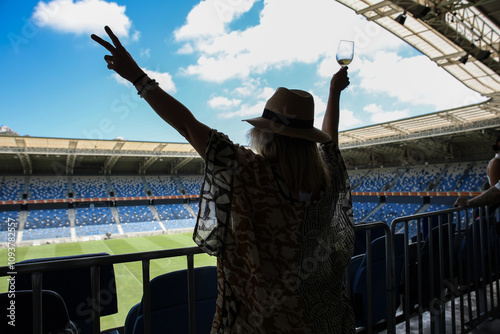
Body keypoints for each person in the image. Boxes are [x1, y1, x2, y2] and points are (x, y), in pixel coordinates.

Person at [92, 26, 355, 333]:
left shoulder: (250, 171)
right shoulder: (326, 181)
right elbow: (330, 146)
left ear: (266, 133)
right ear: (309, 140)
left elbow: (188, 126)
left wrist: (138, 77)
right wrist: (334, 94)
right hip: (324, 320)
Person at [454, 136, 500, 209]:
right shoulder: (496, 162)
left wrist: (469, 202)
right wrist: (469, 203)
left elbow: (496, 192)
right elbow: (496, 191)